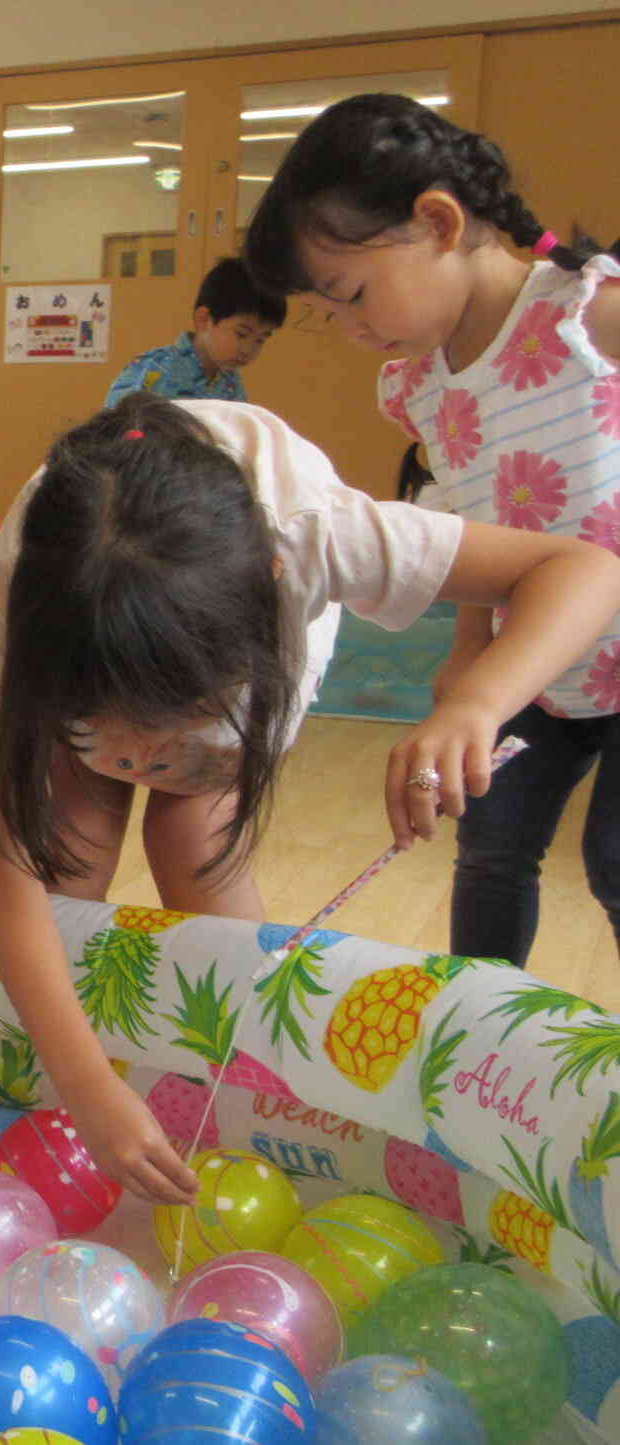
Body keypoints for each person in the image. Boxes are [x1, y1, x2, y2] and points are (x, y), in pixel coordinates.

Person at [0, 392, 620, 1204]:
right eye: (117, 734)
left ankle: (240, 1105)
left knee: (196, 855)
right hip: (109, 636)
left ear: (272, 591)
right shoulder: (33, 582)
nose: (138, 760)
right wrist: (86, 1086)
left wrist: (474, 703)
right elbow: (9, 868)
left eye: (165, 726)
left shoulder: (312, 531)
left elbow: (585, 569)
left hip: (220, 631)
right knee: (63, 874)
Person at [243, 92, 620, 967]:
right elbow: (475, 522)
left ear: (439, 222)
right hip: (539, 659)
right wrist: (470, 652)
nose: (348, 328)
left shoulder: (586, 318)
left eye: (350, 296)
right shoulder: (421, 386)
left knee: (612, 863)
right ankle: (475, 1042)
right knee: (490, 850)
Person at [102, 257, 286, 408]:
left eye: (260, 340)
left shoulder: (231, 381)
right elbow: (117, 428)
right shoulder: (155, 368)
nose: (248, 350)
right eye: (241, 334)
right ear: (204, 319)